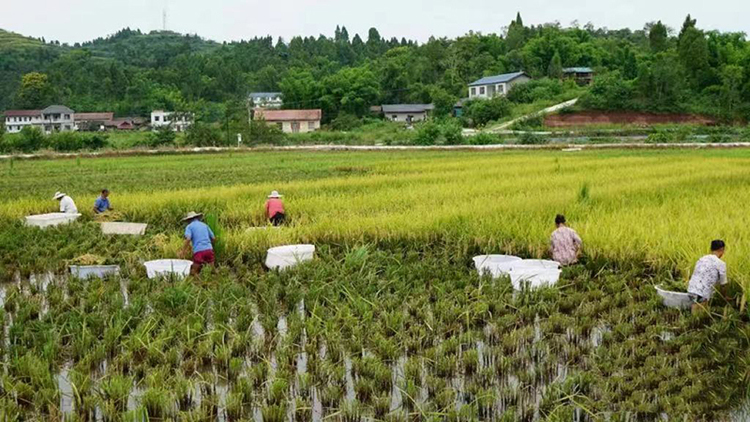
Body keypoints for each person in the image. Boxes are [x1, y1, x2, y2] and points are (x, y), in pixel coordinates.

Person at [687, 240, 728, 314]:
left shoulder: (701, 259)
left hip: (691, 289)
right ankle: (695, 324)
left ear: (711, 249)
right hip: (702, 292)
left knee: (698, 313)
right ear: (722, 250)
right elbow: (723, 284)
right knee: (700, 315)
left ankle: (692, 323)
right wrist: (724, 297)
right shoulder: (721, 264)